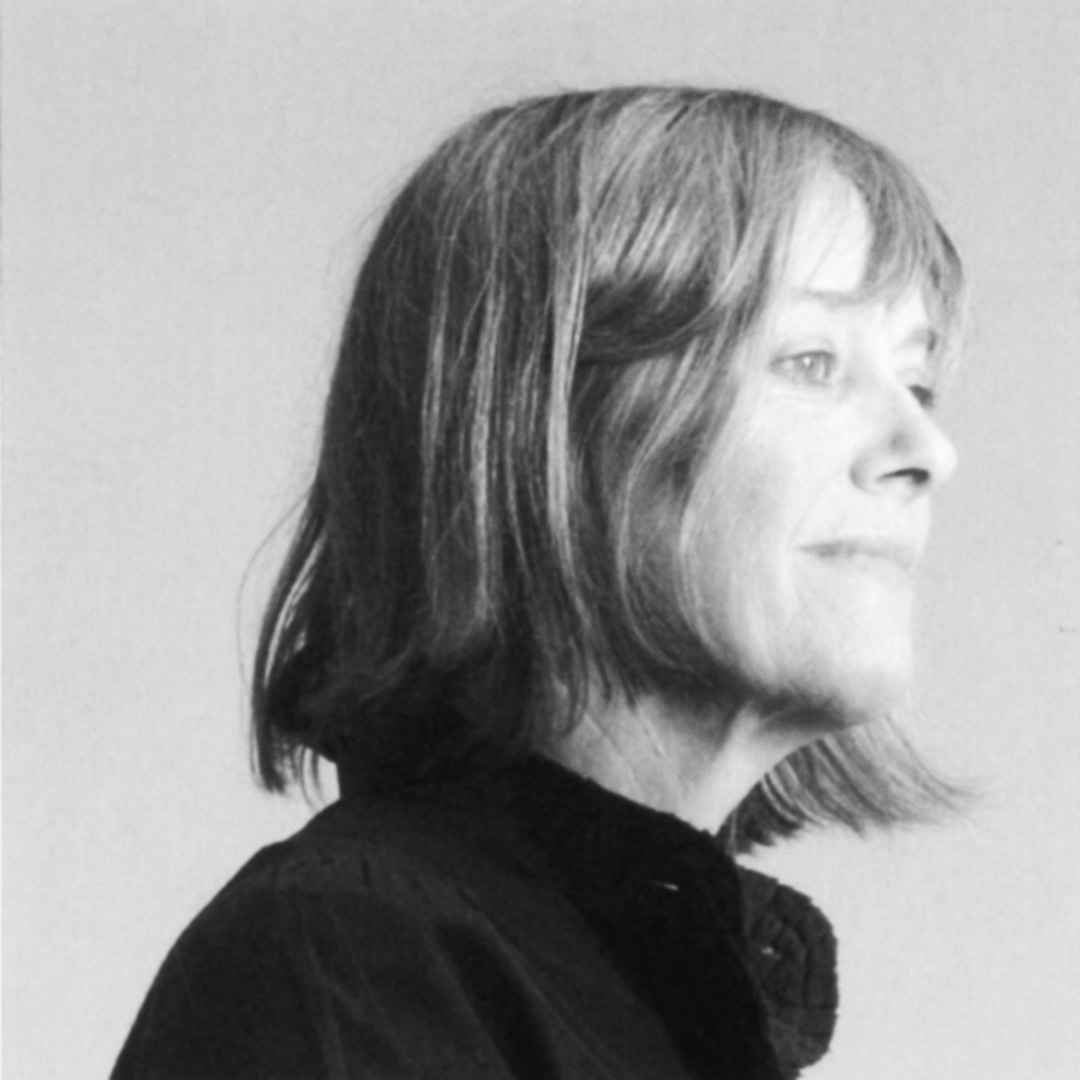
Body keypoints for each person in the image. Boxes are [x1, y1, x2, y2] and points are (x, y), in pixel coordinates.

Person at [112, 87, 965, 1079]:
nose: (927, 449)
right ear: (545, 424)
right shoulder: (352, 957)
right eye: (812, 361)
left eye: (918, 382)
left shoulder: (627, 1001)